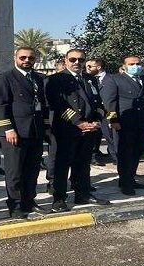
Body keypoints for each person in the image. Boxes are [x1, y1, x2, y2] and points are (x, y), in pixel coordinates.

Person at [46, 49, 109, 211]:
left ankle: (83, 194)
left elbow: (98, 102)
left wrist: (97, 120)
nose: (77, 63)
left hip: (89, 129)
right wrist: (78, 122)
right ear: (66, 60)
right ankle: (59, 199)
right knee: (62, 166)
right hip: (66, 129)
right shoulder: (55, 79)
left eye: (81, 60)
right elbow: (57, 104)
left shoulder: (90, 79)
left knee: (83, 163)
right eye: (73, 59)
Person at [0, 47, 49, 217]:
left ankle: (29, 201)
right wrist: (8, 129)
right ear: (15, 58)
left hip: (35, 130)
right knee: (15, 171)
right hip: (14, 131)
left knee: (32, 169)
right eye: (23, 57)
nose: (27, 60)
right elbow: (0, 105)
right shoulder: (5, 78)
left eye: (30, 58)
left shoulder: (39, 78)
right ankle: (15, 205)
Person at [101, 55, 144, 196]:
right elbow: (109, 103)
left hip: (143, 122)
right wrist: (113, 121)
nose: (136, 66)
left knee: (138, 152)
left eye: (138, 63)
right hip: (124, 122)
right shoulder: (114, 79)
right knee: (125, 154)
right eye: (131, 64)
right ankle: (125, 182)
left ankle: (131, 179)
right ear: (124, 66)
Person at [85, 58, 110, 168]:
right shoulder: (87, 79)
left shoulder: (111, 79)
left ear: (98, 67)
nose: (87, 69)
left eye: (89, 66)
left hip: (108, 112)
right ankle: (94, 155)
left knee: (109, 135)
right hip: (93, 114)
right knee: (94, 135)